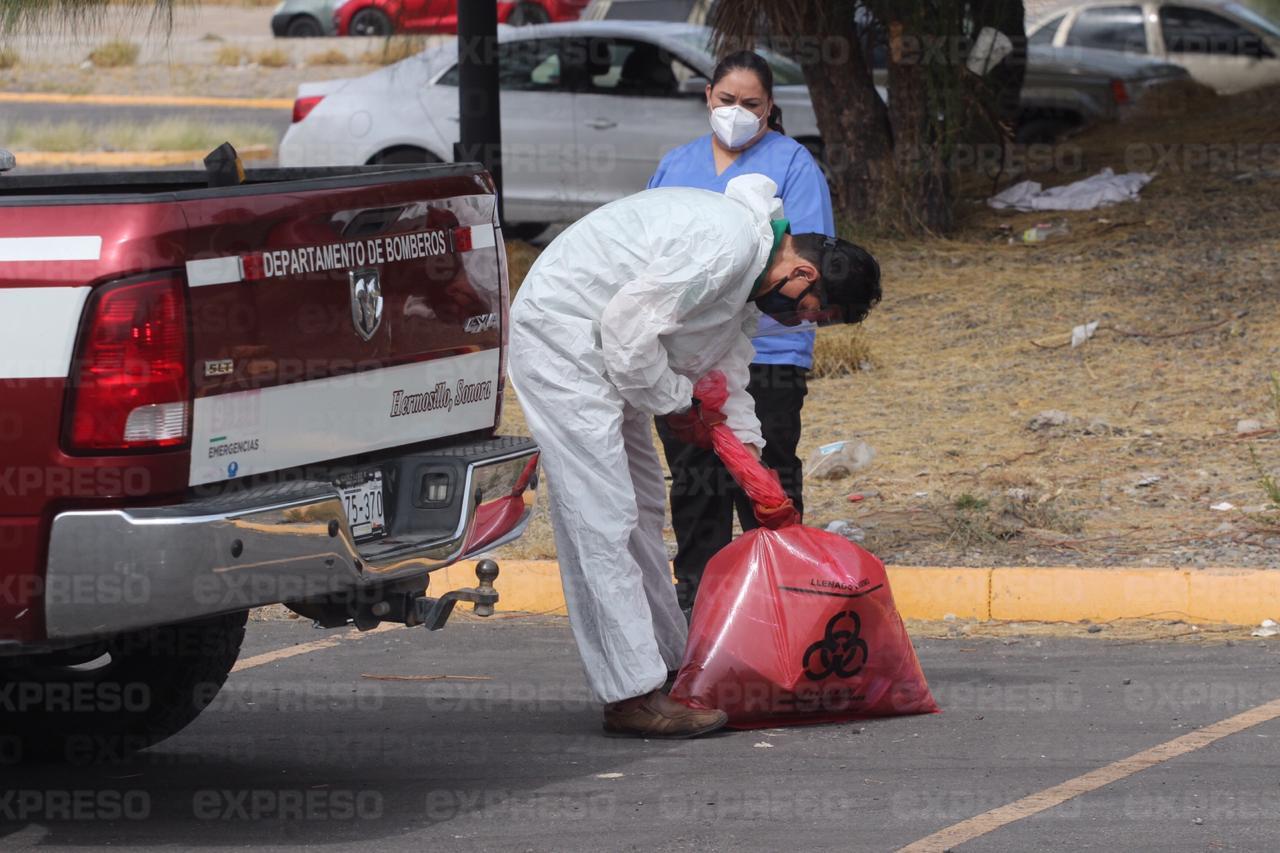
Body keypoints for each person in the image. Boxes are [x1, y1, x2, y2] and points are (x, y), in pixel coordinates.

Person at [507, 174, 880, 739]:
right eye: (813, 312)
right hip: (566, 343)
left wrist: (755, 469)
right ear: (803, 273)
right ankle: (629, 694)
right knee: (603, 516)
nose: (804, 321)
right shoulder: (726, 247)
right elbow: (627, 332)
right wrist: (677, 404)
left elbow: (723, 374)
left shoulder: (745, 279)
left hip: (602, 354)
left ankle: (669, 666)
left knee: (641, 510)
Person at [648, 50, 834, 613]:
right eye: (727, 100)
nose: (736, 112)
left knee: (767, 474)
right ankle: (701, 600)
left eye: (751, 104)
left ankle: (781, 597)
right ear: (708, 97)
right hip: (684, 354)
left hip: (768, 352)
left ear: (770, 107)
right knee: (694, 477)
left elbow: (802, 264)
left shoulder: (793, 164)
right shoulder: (675, 165)